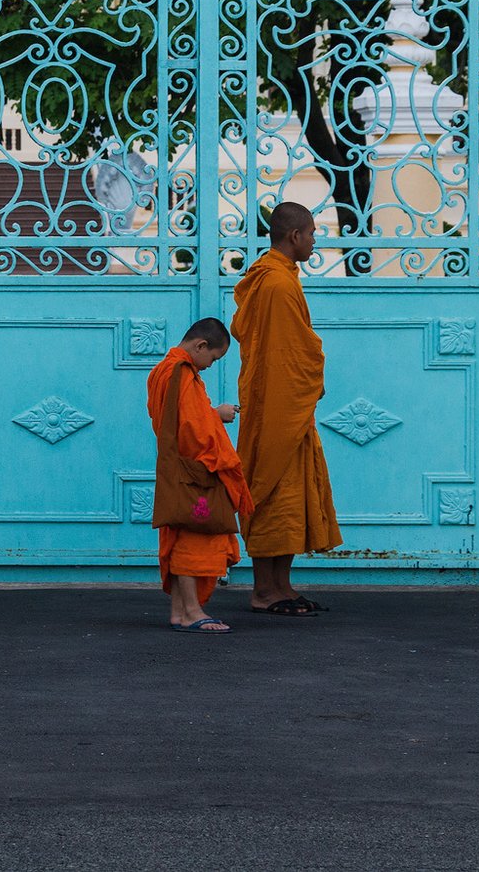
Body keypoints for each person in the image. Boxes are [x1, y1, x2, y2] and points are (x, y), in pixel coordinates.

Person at [232, 200, 342, 615]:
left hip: (284, 406)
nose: (314, 240)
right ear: (295, 236)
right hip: (277, 407)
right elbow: (293, 352)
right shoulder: (277, 284)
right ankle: (263, 591)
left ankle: (281, 586)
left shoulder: (276, 279)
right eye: (312, 233)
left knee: (290, 494)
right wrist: (312, 365)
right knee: (272, 489)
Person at [146, 316, 252, 633]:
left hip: (179, 468)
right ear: (200, 345)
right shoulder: (179, 372)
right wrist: (216, 416)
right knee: (194, 537)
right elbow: (192, 428)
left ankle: (180, 611)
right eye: (213, 358)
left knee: (184, 535)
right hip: (195, 471)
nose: (210, 365)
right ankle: (192, 611)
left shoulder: (162, 371)